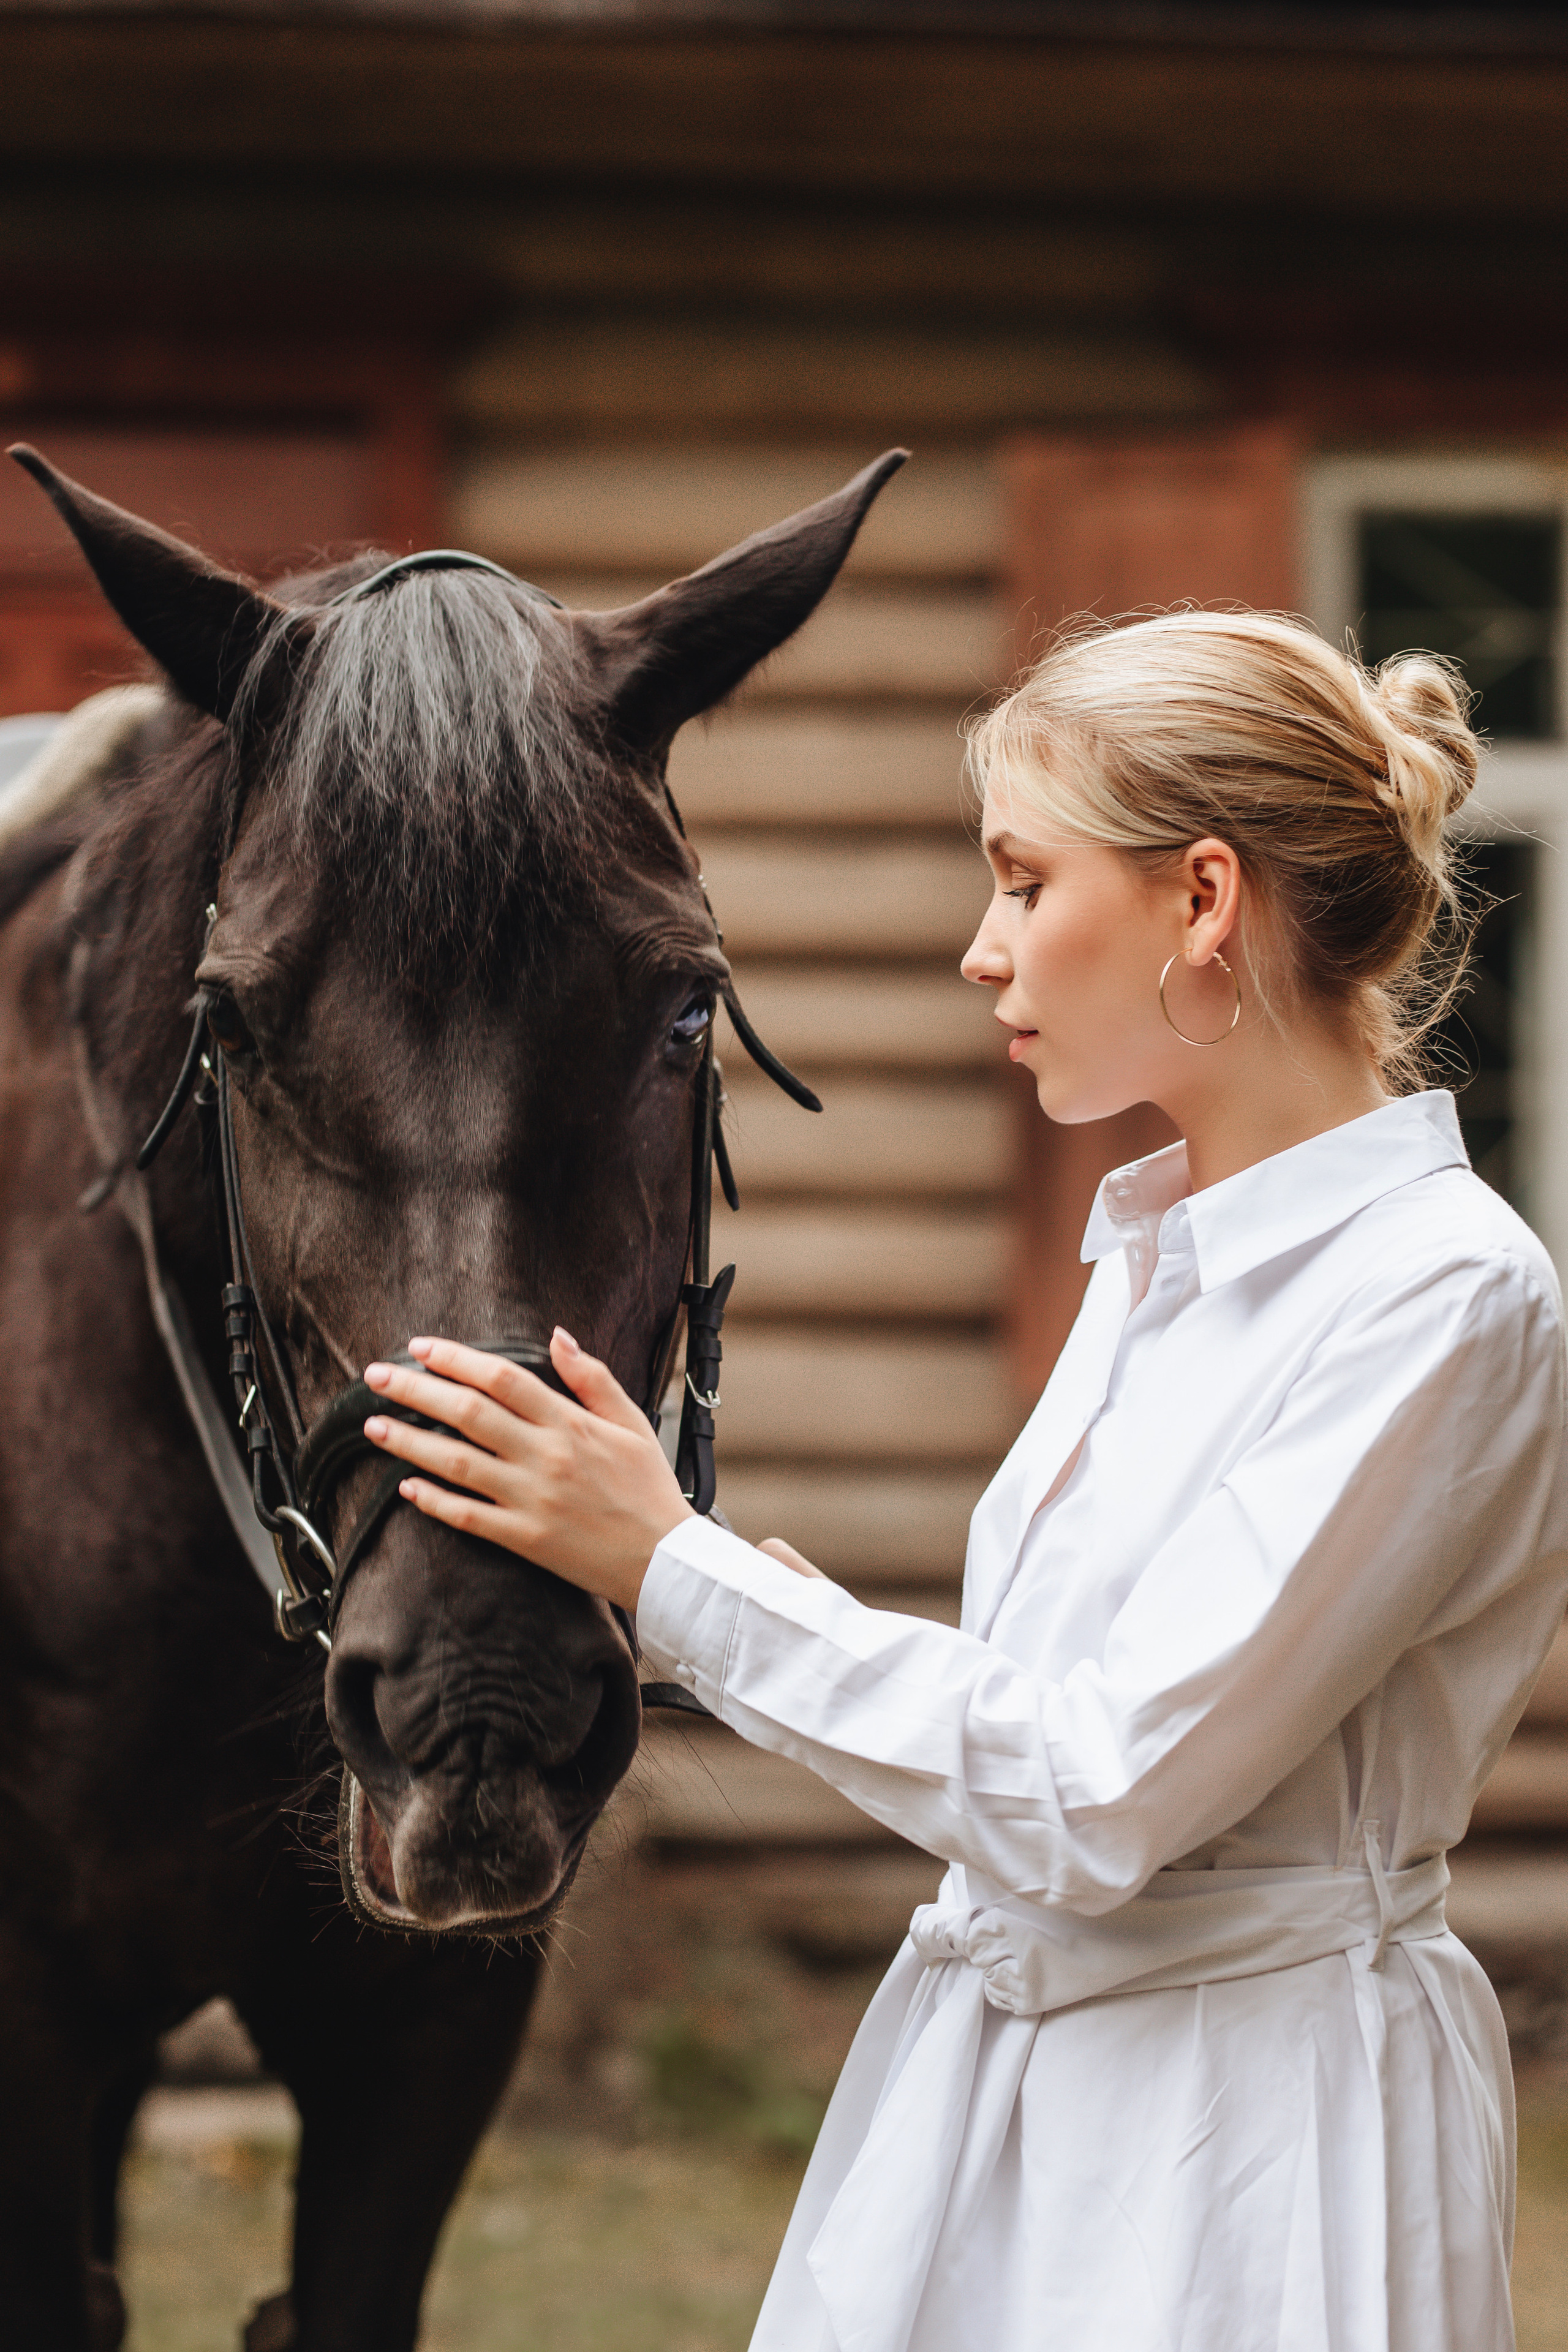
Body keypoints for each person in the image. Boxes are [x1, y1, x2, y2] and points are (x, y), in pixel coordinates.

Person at [360, 609, 1568, 2352]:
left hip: (1254, 2150)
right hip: (1021, 2102)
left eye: (1023, 882)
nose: (980, 951)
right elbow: (1072, 1725)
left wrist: (680, 1573)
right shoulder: (1159, 1253)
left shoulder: (1440, 1294)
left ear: (1203, 900)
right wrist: (709, 1592)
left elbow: (1098, 1794)